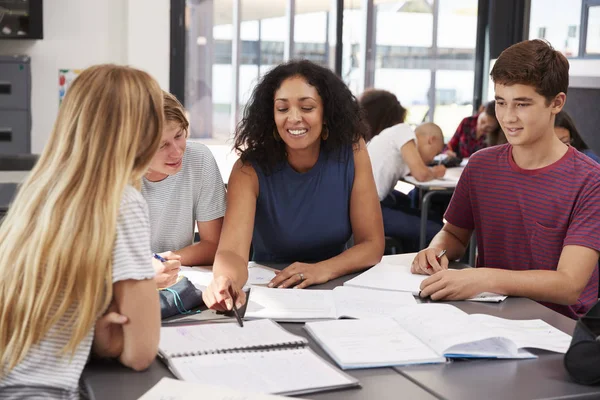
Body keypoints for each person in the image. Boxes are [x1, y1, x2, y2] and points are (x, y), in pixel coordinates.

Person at [0, 65, 163, 397]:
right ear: (144, 134)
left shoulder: (39, 192)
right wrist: (117, 342)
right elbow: (140, 352)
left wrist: (101, 341)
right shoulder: (122, 202)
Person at [412, 39, 600, 320]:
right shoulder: (480, 165)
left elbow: (569, 285)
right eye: (501, 103)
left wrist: (483, 279)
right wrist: (436, 249)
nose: (508, 117)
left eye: (522, 104)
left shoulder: (590, 180)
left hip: (561, 328)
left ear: (556, 103)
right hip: (487, 314)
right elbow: (454, 234)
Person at [202, 60, 385, 311]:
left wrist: (321, 270)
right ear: (271, 115)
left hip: (338, 287)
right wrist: (226, 281)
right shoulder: (249, 170)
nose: (294, 118)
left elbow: (372, 244)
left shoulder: (352, 151)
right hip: (275, 291)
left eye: (307, 107)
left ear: (326, 112)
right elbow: (232, 252)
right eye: (282, 108)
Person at [142, 92, 226, 287]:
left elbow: (214, 245)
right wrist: (142, 270)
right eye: (162, 145)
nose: (177, 151)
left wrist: (166, 262)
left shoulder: (199, 159)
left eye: (179, 135)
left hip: (177, 279)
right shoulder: (112, 175)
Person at [362, 91, 446, 250]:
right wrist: (435, 171)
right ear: (431, 140)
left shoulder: (392, 137)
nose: (431, 159)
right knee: (438, 231)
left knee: (426, 214)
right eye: (435, 153)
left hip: (368, 206)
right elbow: (421, 174)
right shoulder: (403, 131)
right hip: (369, 211)